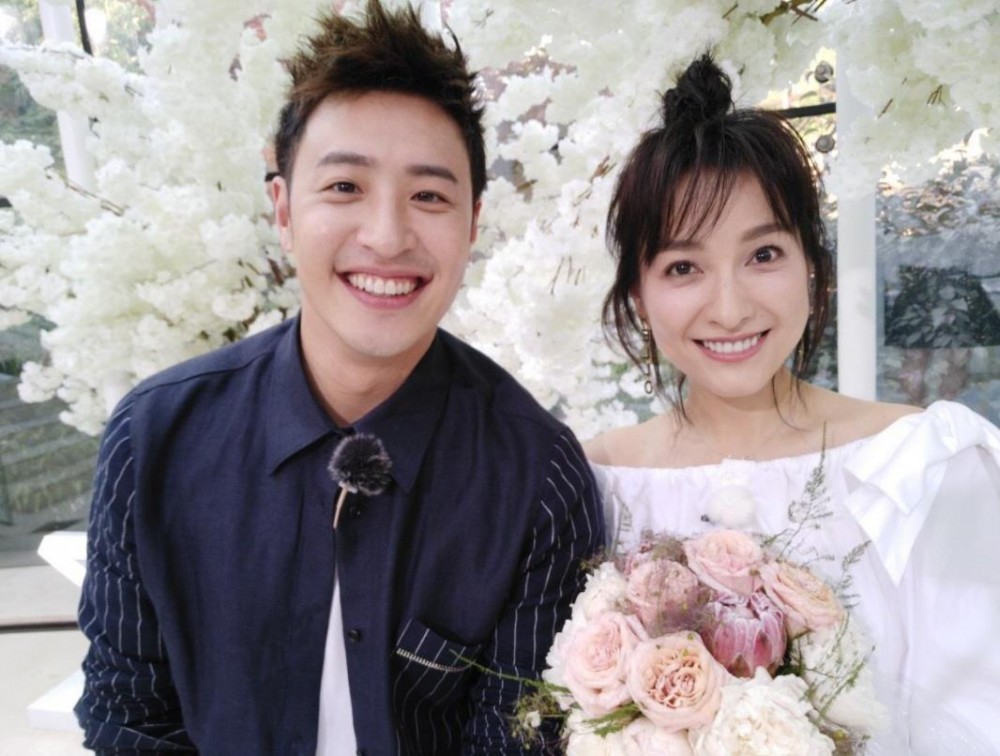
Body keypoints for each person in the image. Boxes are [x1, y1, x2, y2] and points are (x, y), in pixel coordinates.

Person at [74, 2, 604, 753]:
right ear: (283, 209)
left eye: (429, 196)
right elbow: (129, 721)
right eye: (345, 187)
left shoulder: (537, 475)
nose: (386, 236)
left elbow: (516, 740)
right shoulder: (153, 439)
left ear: (473, 223)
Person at [584, 53, 1000, 751]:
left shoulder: (920, 467)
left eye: (763, 255)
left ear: (812, 263)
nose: (729, 307)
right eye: (683, 267)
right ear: (638, 295)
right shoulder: (591, 484)